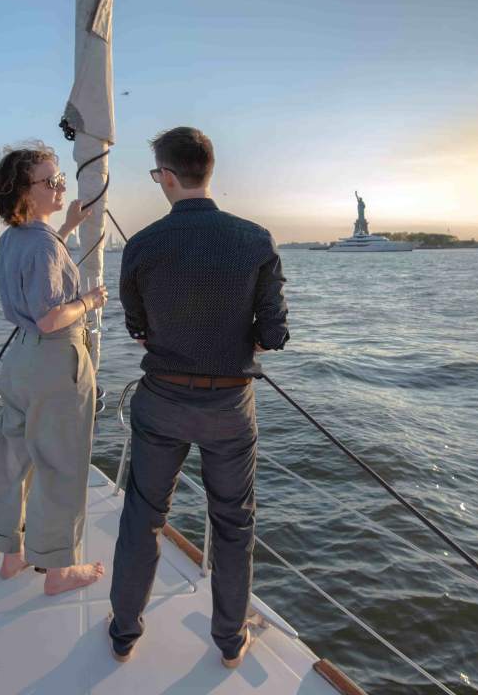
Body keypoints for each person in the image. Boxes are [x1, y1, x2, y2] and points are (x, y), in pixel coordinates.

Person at [108, 127, 289, 667]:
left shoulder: (142, 245)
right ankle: (231, 642)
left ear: (166, 176)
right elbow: (275, 333)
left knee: (143, 514)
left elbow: (138, 327)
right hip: (230, 407)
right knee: (233, 523)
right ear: (207, 172)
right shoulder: (255, 239)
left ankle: (123, 632)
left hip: (161, 400)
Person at [0, 141, 108, 595]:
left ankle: (10, 556)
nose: (59, 186)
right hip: (56, 357)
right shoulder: (45, 248)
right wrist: (88, 300)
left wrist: (68, 225)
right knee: (61, 464)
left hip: (21, 361)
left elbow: (41, 263)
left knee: (14, 460)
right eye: (50, 181)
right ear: (24, 192)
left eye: (60, 179)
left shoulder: (13, 239)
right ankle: (57, 571)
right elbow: (52, 315)